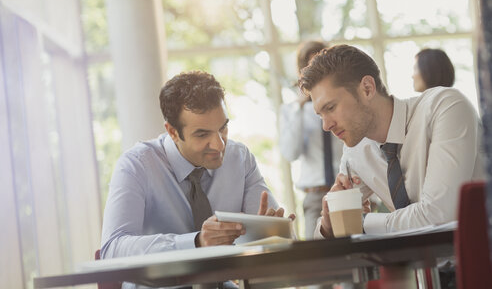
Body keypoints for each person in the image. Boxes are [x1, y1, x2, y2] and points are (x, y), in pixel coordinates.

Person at [101, 71, 292, 268]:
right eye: (202, 135)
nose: (219, 146)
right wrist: (196, 242)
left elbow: (279, 237)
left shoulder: (239, 158)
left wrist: (270, 233)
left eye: (223, 128)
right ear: (173, 132)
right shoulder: (136, 165)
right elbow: (112, 250)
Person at [297, 44, 485, 238]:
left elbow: (439, 216)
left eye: (331, 107)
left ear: (367, 89)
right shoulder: (356, 153)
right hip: (421, 266)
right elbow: (323, 234)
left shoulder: (446, 108)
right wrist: (331, 221)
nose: (326, 126)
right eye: (320, 115)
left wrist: (360, 223)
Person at [279, 41, 343, 239]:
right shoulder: (291, 111)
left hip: (347, 192)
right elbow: (291, 153)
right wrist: (299, 107)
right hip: (316, 197)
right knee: (319, 263)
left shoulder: (343, 103)